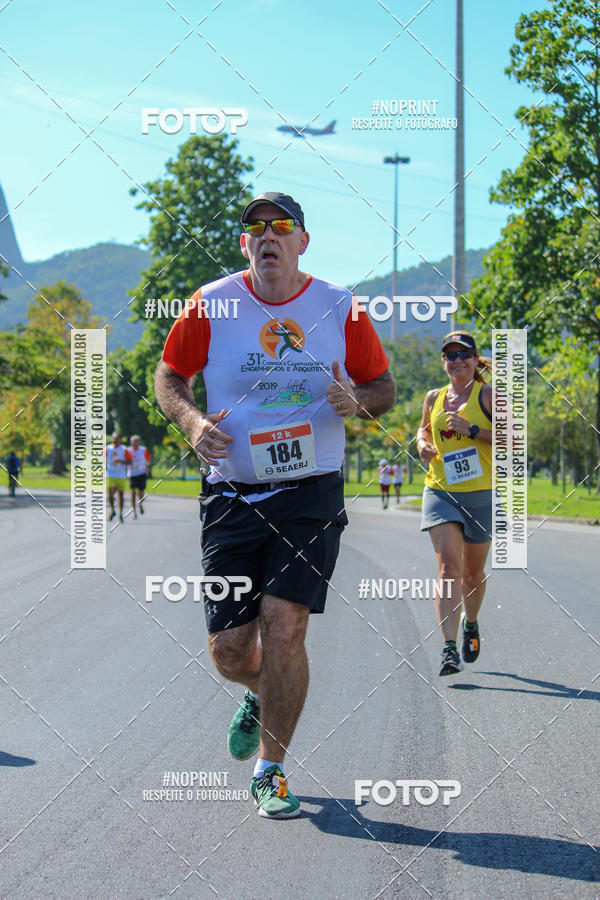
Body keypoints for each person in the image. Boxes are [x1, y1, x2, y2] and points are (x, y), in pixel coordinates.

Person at [154, 191, 396, 818]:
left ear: (302, 242)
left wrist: (358, 404)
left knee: (284, 625)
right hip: (231, 492)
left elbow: (383, 386)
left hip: (309, 489)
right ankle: (264, 693)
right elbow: (168, 375)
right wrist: (190, 421)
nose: (268, 236)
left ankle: (271, 769)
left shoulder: (339, 307)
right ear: (245, 245)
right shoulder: (211, 302)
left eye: (281, 226)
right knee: (231, 650)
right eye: (256, 229)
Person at [416, 331, 493, 677]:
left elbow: (515, 440)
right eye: (450, 354)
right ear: (443, 362)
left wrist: (473, 429)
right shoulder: (433, 397)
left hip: (480, 495)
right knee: (449, 569)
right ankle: (448, 649)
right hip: (440, 490)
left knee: (473, 574)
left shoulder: (489, 395)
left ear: (476, 360)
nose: (457, 359)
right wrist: (421, 444)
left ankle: (470, 622)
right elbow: (423, 431)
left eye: (464, 354)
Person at [105, 432, 130, 523]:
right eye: (114, 438)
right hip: (110, 474)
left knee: (120, 496)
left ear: (120, 439)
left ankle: (120, 513)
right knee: (110, 494)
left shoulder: (124, 449)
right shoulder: (108, 448)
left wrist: (120, 460)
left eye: (117, 438)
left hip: (121, 476)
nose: (115, 440)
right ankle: (112, 510)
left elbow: (130, 462)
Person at [128, 434, 151, 519]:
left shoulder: (143, 450)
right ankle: (134, 512)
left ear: (139, 442)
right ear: (131, 442)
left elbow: (148, 459)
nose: (134, 444)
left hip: (142, 473)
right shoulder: (128, 450)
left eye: (136, 442)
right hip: (132, 474)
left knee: (141, 493)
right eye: (133, 442)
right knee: (133, 493)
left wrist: (148, 466)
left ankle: (140, 504)